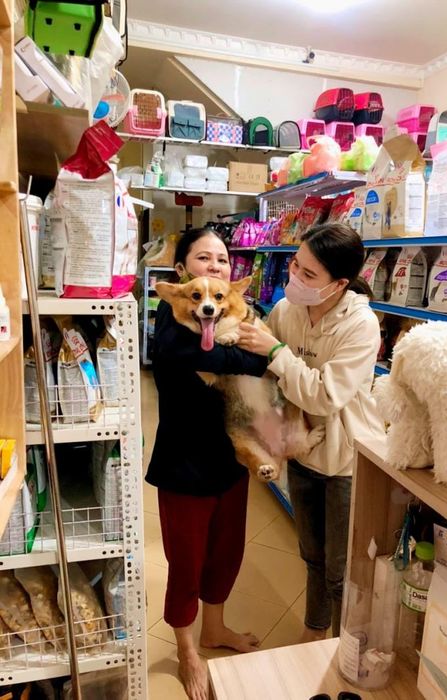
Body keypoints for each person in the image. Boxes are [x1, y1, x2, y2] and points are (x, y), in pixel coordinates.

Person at [238, 222, 385, 642]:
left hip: (346, 459)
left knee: (341, 569)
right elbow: (266, 375)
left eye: (308, 274)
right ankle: (314, 631)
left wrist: (277, 352)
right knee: (312, 555)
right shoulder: (286, 311)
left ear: (339, 284)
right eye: (295, 266)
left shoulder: (361, 324)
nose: (296, 279)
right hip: (301, 449)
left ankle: (346, 646)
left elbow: (324, 396)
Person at [146, 228, 267, 700]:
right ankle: (187, 651)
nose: (215, 265)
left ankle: (214, 629)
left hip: (231, 454)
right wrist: (249, 355)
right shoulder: (171, 314)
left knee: (226, 552)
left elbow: (256, 362)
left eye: (222, 259)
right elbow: (228, 357)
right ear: (181, 272)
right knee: (186, 561)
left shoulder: (230, 310)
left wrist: (252, 355)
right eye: (203, 257)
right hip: (183, 462)